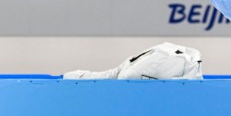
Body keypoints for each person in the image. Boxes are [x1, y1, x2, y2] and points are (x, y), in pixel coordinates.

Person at [61, 42, 203, 80]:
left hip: (173, 57)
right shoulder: (125, 73)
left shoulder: (125, 74)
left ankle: (73, 77)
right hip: (179, 58)